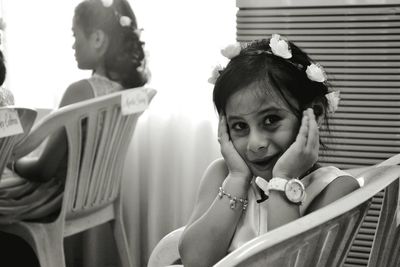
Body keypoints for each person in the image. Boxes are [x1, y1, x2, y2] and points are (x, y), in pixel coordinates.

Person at [178, 34, 360, 266]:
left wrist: (283, 180)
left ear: (313, 114)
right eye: (240, 126)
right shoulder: (222, 174)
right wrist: (237, 179)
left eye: (271, 119)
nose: (256, 143)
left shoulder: (336, 188)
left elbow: (289, 262)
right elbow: (194, 260)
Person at [0, 0, 153, 222]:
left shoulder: (81, 92)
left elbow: (43, 170)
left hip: (49, 200)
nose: (73, 45)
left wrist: (11, 162)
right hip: (94, 196)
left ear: (98, 39)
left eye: (75, 35)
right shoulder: (130, 94)